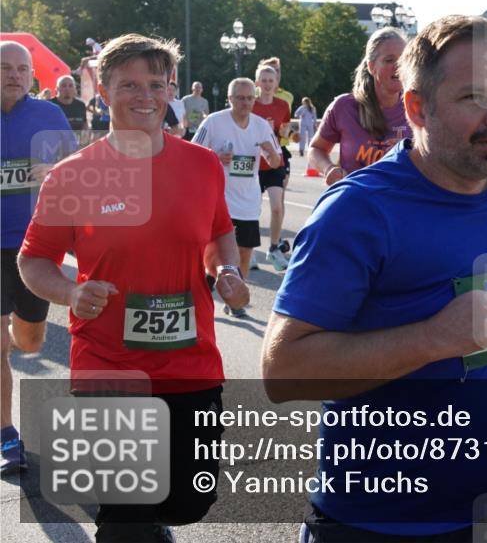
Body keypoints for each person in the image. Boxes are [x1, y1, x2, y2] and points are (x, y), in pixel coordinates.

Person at [262, 15, 487, 541]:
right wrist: (432, 337)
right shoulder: (357, 210)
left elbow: (485, 324)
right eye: (474, 97)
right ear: (416, 108)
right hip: (381, 521)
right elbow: (282, 370)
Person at [18, 33, 249, 542]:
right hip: (107, 362)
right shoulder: (73, 177)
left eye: (155, 84)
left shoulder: (201, 164)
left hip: (191, 359)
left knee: (189, 499)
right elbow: (33, 260)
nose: (145, 95)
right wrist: (70, 293)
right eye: (129, 85)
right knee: (125, 514)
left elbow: (218, 232)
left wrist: (225, 271)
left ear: (170, 90)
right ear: (103, 90)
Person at [0, 41, 76, 475]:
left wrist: (56, 173)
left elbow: (76, 167)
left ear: (32, 75)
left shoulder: (48, 116)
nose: (13, 75)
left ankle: (14, 334)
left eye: (21, 69)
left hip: (33, 247)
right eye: (5, 68)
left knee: (28, 342)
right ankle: (6, 434)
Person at [192, 77, 281, 318]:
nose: (245, 103)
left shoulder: (261, 126)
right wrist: (216, 156)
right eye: (240, 98)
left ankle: (234, 298)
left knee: (244, 252)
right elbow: (192, 155)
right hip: (217, 200)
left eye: (250, 98)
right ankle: (204, 293)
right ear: (229, 99)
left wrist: (271, 152)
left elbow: (275, 162)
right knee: (213, 253)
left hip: (248, 200)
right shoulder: (214, 122)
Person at [307, 27, 412, 185]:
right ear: (371, 66)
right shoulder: (344, 107)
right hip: (355, 202)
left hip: (398, 204)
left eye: (403, 60)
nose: (398, 66)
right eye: (389, 60)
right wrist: (329, 169)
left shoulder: (418, 108)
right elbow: (316, 149)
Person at [253, 64, 292, 270]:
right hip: (253, 163)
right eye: (264, 80)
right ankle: (247, 249)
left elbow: (282, 135)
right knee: (252, 209)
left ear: (276, 83)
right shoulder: (251, 104)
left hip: (275, 161)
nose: (268, 84)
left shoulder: (282, 106)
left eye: (271, 80)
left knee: (277, 208)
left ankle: (274, 249)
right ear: (257, 82)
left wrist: (284, 133)